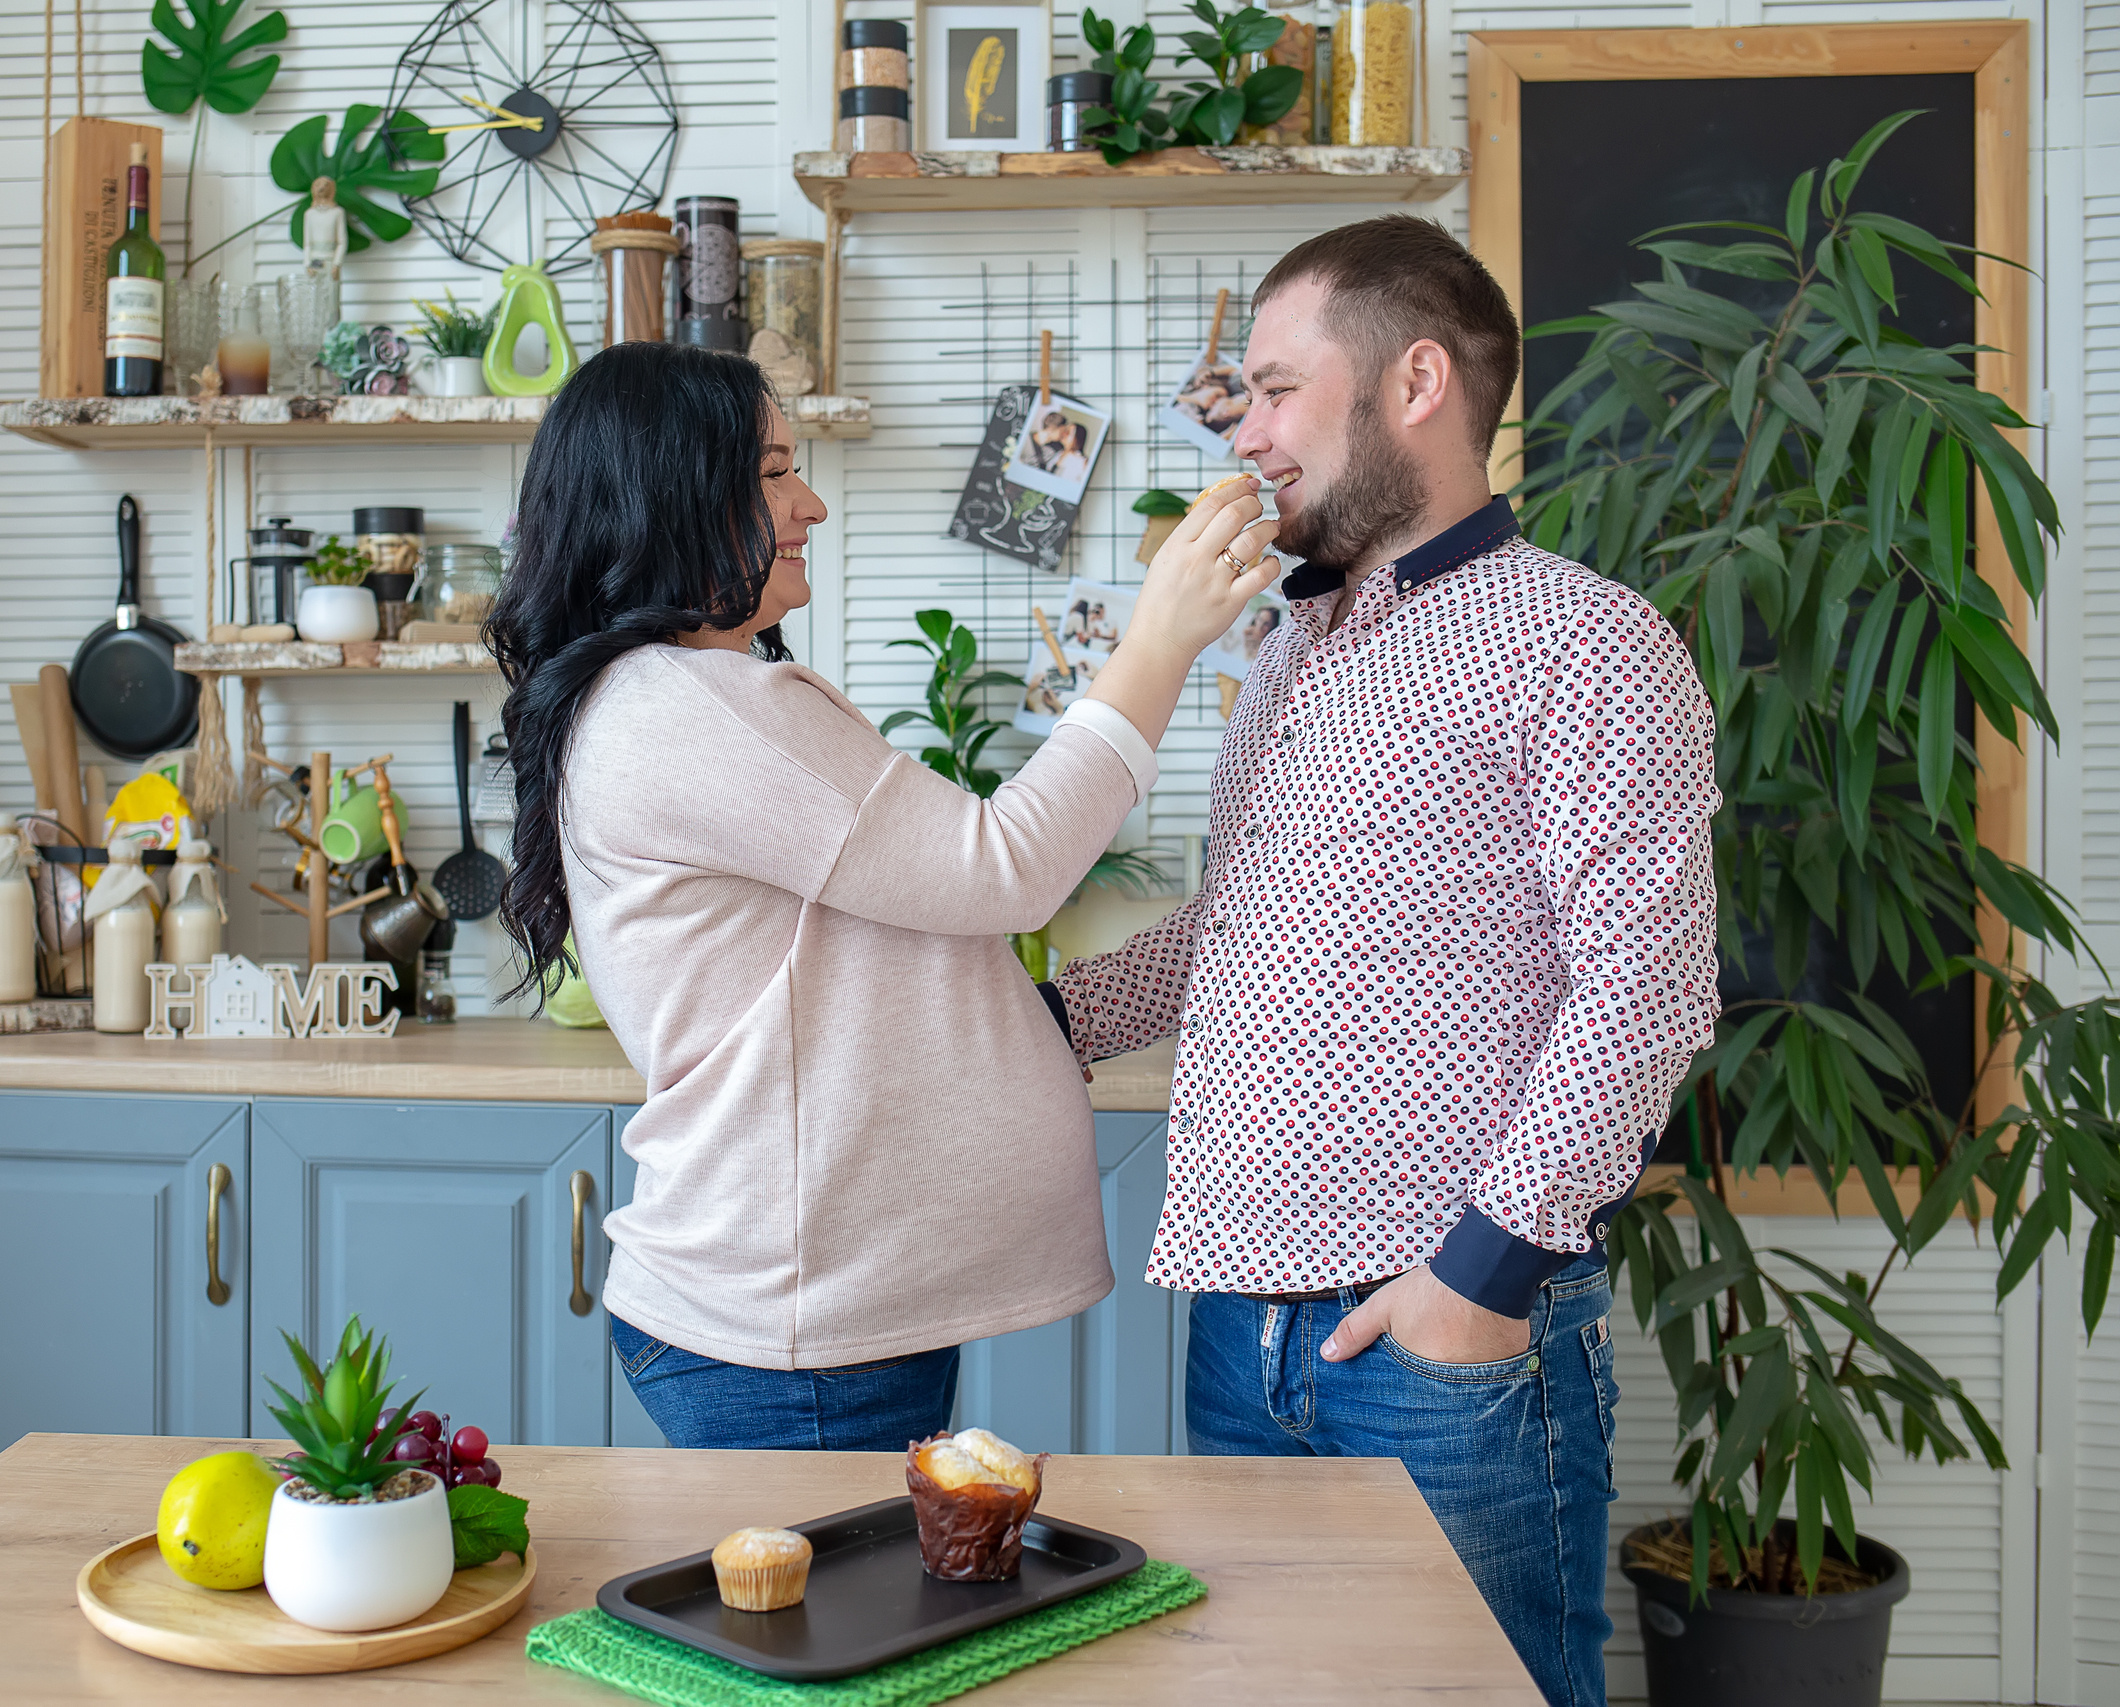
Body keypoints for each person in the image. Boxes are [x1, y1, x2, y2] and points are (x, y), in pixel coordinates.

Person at [1051, 214, 1720, 1707]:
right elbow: (1246, 931)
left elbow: (1649, 988)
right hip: (1236, 1327)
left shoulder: (1589, 642)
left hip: (1446, 1349)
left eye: (1277, 388)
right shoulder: (1291, 647)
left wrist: (1472, 1284)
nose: (1248, 431)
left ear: (1416, 379)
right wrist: (1034, 1022)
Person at [483, 341, 1279, 1451]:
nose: (808, 504)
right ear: (665, 493)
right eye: (770, 473)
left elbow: (888, 961)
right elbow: (1005, 867)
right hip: (797, 1331)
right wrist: (1160, 636)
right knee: (832, 1628)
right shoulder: (687, 705)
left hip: (816, 1310)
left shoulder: (667, 697)